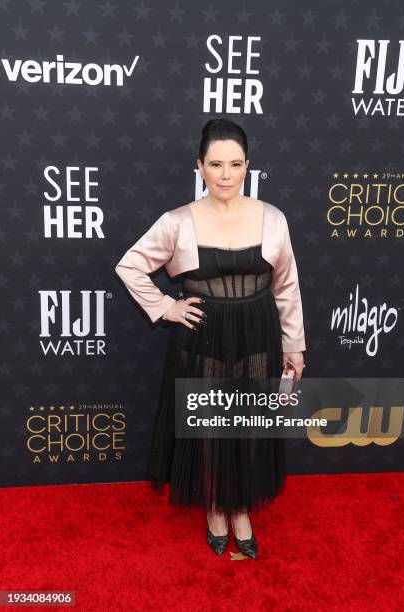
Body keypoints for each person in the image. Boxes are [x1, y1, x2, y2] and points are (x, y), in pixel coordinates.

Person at [115, 118, 306, 560]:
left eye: (235, 164)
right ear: (200, 166)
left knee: (250, 422)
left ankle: (242, 507)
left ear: (247, 167)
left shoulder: (272, 218)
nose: (225, 174)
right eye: (215, 164)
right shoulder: (179, 221)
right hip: (202, 335)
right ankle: (217, 505)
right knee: (212, 425)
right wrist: (167, 307)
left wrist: (293, 344)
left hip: (259, 329)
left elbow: (287, 286)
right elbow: (130, 265)